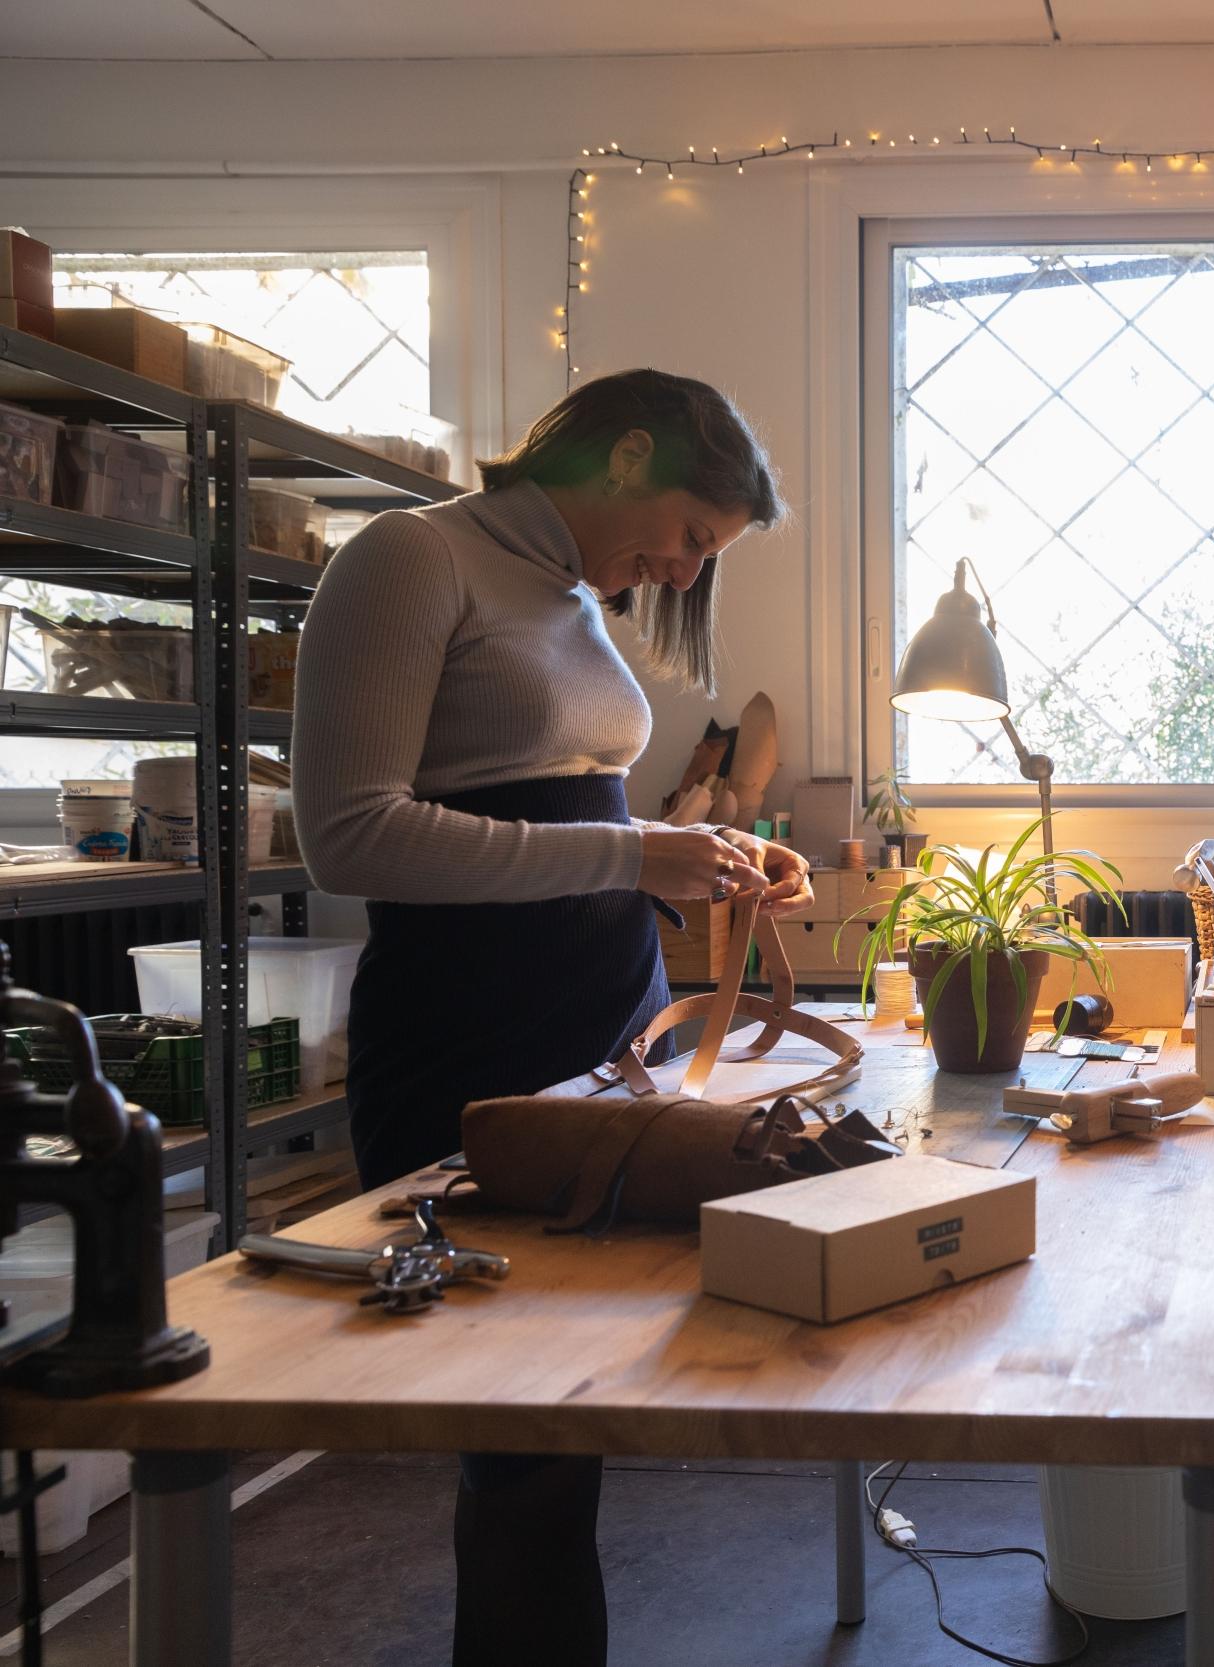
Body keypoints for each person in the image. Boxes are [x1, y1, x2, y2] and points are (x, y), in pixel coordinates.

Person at [293, 368, 811, 1667]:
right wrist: (634, 857)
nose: (684, 573)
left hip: (611, 1051)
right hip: (471, 1054)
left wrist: (709, 858)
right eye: (691, 536)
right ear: (626, 455)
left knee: (576, 1430)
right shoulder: (411, 560)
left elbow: (570, 817)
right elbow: (349, 834)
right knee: (522, 1451)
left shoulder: (574, 593)